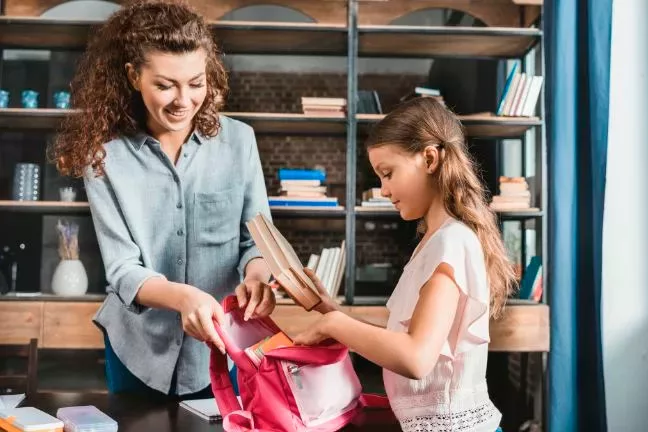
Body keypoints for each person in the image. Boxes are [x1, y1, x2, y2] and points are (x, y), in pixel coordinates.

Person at [51, 1, 277, 398]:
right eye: (165, 84)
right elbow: (122, 269)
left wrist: (258, 278)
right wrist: (183, 296)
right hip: (138, 352)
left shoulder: (240, 142)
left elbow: (255, 240)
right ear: (134, 76)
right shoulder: (104, 156)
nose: (183, 100)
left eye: (195, 82)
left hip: (225, 345)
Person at [284, 97, 513, 431]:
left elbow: (415, 358)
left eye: (388, 174)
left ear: (430, 159)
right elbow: (403, 339)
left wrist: (334, 326)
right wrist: (328, 310)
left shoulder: (450, 243)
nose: (384, 190)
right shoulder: (435, 241)